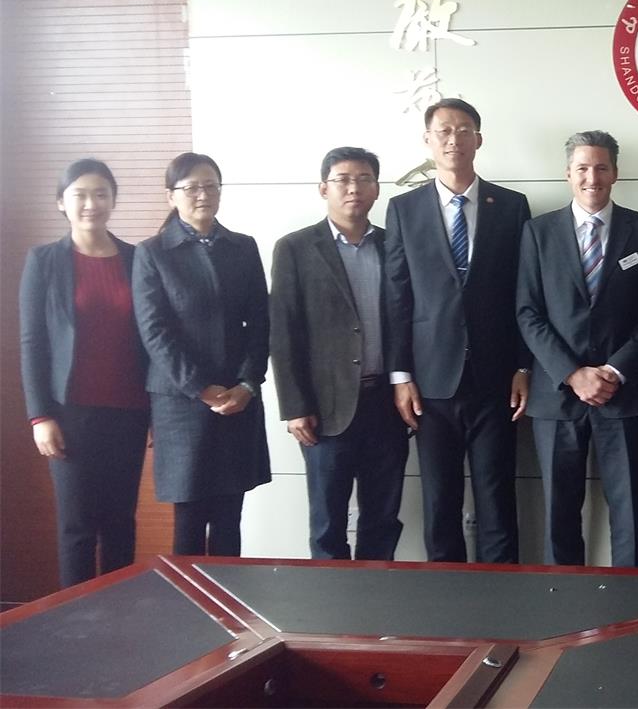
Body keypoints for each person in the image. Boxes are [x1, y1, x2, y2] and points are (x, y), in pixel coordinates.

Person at [384, 98, 532, 563]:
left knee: (497, 499)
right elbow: (397, 297)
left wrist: (523, 366)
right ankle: (445, 596)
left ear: (479, 140)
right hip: (430, 384)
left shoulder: (511, 206)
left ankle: (501, 592)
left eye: (463, 130)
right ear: (428, 141)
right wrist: (400, 375)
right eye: (444, 131)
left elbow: (523, 292)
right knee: (439, 502)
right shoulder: (403, 209)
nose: (454, 139)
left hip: (495, 379)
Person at [516, 131, 638, 567]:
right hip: (557, 395)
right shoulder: (538, 232)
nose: (592, 177)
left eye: (601, 167)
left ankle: (630, 600)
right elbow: (528, 311)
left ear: (615, 173)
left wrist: (614, 371)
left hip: (623, 392)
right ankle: (563, 599)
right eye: (582, 168)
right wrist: (572, 372)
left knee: (629, 510)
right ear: (568, 173)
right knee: (559, 513)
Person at [269, 147, 408, 561]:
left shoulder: (393, 244)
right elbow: (283, 331)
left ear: (376, 189)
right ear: (323, 188)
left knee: (383, 518)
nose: (353, 188)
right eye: (343, 180)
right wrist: (295, 407)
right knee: (328, 524)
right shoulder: (295, 248)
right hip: (325, 409)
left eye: (364, 179)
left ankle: (374, 596)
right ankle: (331, 601)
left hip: (385, 404)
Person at [132, 153, 271, 556]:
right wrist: (200, 388)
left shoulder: (242, 247)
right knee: (189, 519)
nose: (203, 194)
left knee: (230, 516)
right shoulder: (153, 253)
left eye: (211, 186)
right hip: (181, 404)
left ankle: (228, 597)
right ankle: (186, 598)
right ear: (171, 196)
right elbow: (154, 332)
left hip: (237, 398)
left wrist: (248, 383)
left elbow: (260, 321)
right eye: (192, 187)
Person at [19, 159, 150, 587]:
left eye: (100, 194)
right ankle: (76, 618)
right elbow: (32, 342)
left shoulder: (137, 259)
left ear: (113, 200)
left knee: (120, 521)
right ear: (62, 202)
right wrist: (40, 416)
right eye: (80, 195)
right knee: (77, 526)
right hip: (69, 415)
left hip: (129, 412)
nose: (91, 203)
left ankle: (119, 612)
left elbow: (151, 338)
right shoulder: (44, 261)